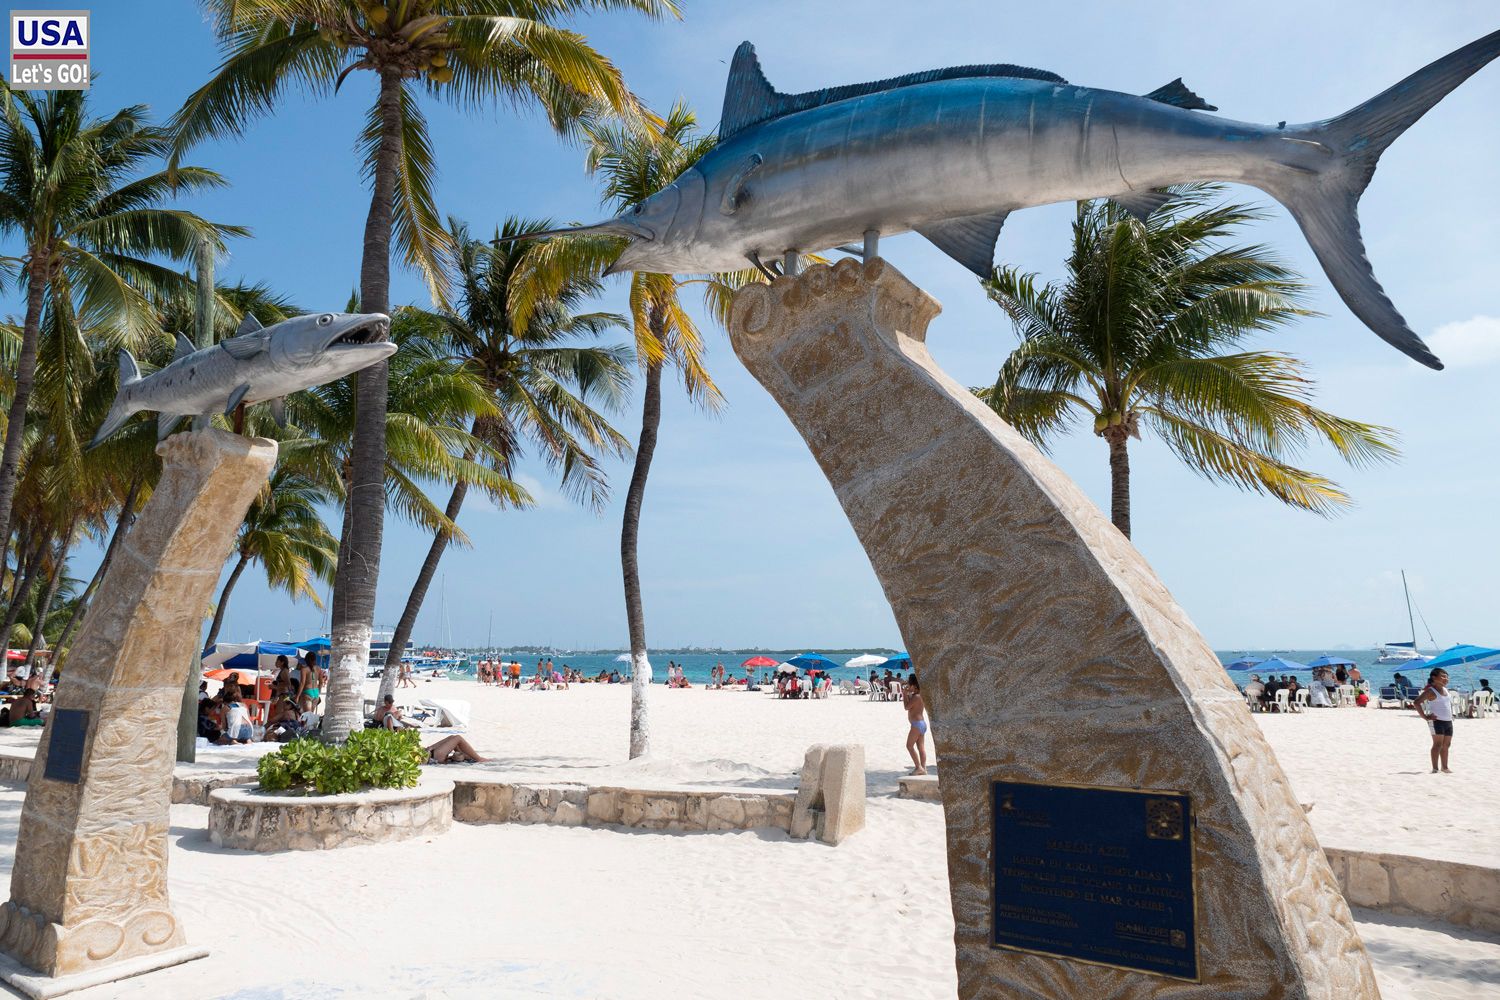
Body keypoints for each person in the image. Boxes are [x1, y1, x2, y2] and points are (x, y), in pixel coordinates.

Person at [1412, 668, 1454, 773]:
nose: (1446, 679)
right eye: (1443, 676)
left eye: (1447, 677)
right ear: (1434, 678)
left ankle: (1445, 767)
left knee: (1447, 745)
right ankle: (1435, 768)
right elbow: (1416, 702)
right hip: (1436, 721)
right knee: (1438, 744)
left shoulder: (1446, 690)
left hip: (1448, 721)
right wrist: (1425, 717)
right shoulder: (1431, 691)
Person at [903, 676, 929, 775]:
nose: (908, 687)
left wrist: (904, 694)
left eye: (909, 685)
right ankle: (924, 768)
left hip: (917, 725)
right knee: (921, 747)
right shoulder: (918, 695)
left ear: (913, 685)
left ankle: (918, 767)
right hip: (921, 724)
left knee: (909, 746)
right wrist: (908, 694)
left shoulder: (916, 696)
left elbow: (906, 707)